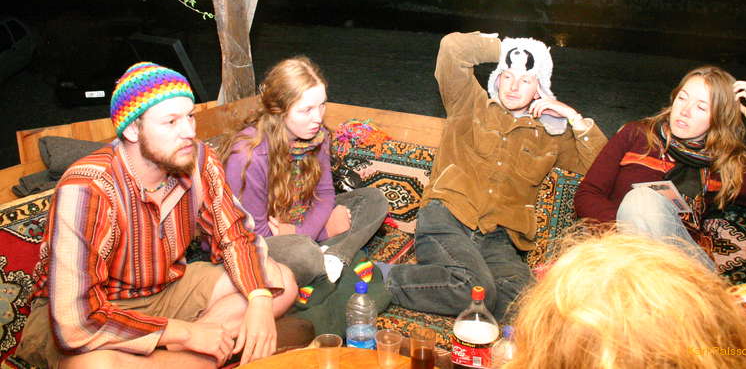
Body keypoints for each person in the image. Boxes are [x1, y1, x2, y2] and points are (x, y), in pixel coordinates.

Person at [16, 62, 298, 369]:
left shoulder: (198, 159)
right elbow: (76, 323)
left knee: (279, 280)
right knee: (95, 366)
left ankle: (185, 357)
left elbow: (235, 236)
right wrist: (187, 333)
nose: (189, 132)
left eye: (190, 116)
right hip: (94, 309)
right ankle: (196, 357)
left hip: (164, 290)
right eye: (171, 122)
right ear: (133, 130)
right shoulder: (87, 188)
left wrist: (259, 299)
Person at [384, 32, 607, 319]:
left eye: (525, 80)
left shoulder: (551, 134)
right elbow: (453, 48)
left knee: (529, 309)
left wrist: (574, 119)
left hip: (500, 239)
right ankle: (377, 278)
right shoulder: (469, 103)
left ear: (539, 89)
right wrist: (513, 50)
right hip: (448, 218)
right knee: (473, 289)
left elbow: (601, 168)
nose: (513, 87)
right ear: (497, 79)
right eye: (507, 76)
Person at [574, 65, 746, 270]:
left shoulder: (726, 165)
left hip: (686, 267)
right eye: (682, 98)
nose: (685, 110)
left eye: (701, 107)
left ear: (719, 119)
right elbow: (588, 194)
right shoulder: (637, 135)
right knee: (641, 202)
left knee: (642, 199)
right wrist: (628, 232)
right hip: (621, 256)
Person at [219, 56, 388, 286]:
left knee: (373, 200)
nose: (318, 118)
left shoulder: (318, 136)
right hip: (258, 240)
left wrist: (302, 230)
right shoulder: (247, 156)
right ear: (279, 110)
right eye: (306, 110)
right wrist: (322, 231)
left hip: (298, 220)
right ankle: (328, 257)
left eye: (322, 105)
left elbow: (325, 193)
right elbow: (252, 234)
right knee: (303, 255)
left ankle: (334, 258)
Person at [503, 231, 746, 369]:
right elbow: (589, 194)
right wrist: (622, 239)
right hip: (634, 250)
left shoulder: (721, 163)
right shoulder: (636, 139)